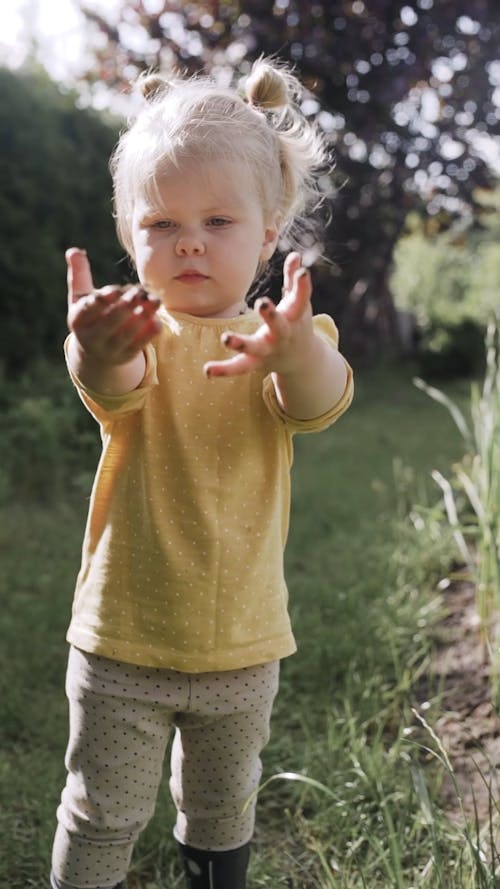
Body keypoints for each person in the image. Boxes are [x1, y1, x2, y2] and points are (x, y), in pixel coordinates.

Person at [50, 57, 353, 889]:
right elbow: (112, 383)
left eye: (218, 220)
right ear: (127, 235)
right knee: (101, 810)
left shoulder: (285, 338)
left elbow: (319, 398)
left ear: (268, 230)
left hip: (242, 644)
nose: (188, 241)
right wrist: (93, 347)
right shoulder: (133, 332)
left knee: (222, 809)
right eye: (160, 224)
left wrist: (296, 352)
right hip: (123, 639)